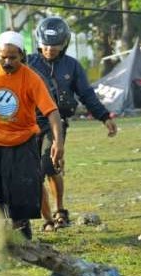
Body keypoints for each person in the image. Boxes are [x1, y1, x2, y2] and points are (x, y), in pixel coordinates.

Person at [0, 31, 64, 240]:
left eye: (13, 57)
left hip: (24, 141)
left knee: (22, 192)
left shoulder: (31, 78)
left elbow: (51, 111)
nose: (8, 61)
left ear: (22, 55)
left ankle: (22, 231)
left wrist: (58, 141)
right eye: (4, 56)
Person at [27, 17, 117, 231]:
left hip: (55, 123)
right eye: (46, 45)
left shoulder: (72, 66)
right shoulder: (27, 62)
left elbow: (87, 95)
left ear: (64, 44)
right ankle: (47, 219)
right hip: (28, 123)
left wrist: (105, 117)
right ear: (39, 43)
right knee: (34, 172)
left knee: (49, 165)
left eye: (55, 46)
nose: (49, 50)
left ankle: (60, 211)